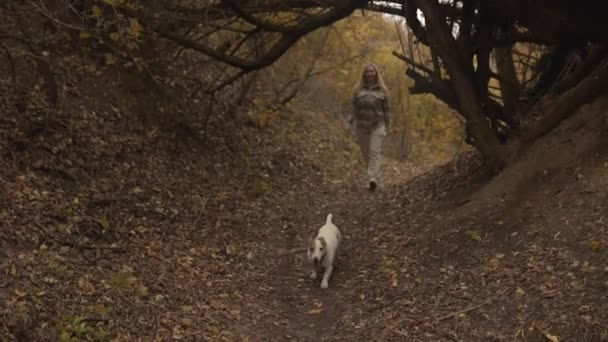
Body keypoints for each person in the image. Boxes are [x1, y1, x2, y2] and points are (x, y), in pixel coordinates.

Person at [348, 63, 391, 191]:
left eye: (372, 71)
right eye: (367, 71)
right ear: (364, 74)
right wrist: (348, 122)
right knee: (366, 154)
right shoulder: (358, 90)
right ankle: (374, 176)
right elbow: (353, 108)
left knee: (374, 152)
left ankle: (372, 178)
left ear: (376, 73)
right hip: (361, 126)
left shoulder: (382, 91)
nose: (370, 73)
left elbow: (387, 110)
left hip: (378, 125)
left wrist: (388, 126)